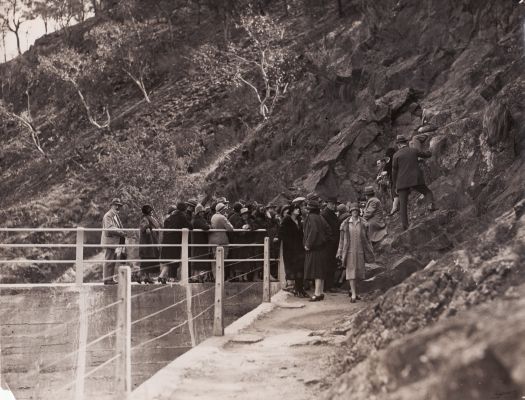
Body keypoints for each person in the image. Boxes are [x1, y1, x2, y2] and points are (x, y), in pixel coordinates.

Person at [392, 135, 437, 230]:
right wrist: (431, 149)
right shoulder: (413, 150)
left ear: (399, 145)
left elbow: (394, 172)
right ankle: (430, 205)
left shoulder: (396, 155)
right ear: (405, 142)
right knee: (427, 192)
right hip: (415, 179)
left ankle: (405, 225)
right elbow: (427, 154)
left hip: (402, 182)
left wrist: (395, 185)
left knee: (403, 205)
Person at [336, 203, 375, 303]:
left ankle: (355, 292)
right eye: (353, 211)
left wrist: (370, 250)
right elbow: (341, 240)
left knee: (358, 273)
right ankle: (353, 294)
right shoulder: (345, 224)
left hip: (360, 251)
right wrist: (339, 252)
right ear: (350, 212)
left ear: (359, 212)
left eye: (356, 211)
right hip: (349, 252)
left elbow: (368, 239)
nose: (355, 212)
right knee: (351, 272)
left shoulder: (364, 223)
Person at [303, 200, 332, 302]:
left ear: (310, 210)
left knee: (316, 272)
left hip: (314, 248)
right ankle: (321, 292)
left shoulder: (310, 217)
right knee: (320, 271)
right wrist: (323, 241)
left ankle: (317, 294)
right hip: (322, 248)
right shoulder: (321, 217)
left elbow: (313, 231)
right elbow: (329, 230)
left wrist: (308, 244)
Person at [278, 204, 308, 297]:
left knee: (300, 268)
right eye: (296, 209)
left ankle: (300, 288)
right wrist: (289, 243)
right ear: (291, 210)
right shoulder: (286, 220)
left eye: (298, 209)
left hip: (299, 248)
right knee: (293, 268)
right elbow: (281, 233)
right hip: (290, 249)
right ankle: (296, 288)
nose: (298, 210)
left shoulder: (299, 220)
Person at [159, 202, 192, 282]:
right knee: (174, 260)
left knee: (169, 260)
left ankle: (162, 276)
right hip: (175, 241)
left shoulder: (170, 217)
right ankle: (171, 278)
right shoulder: (181, 216)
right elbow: (190, 227)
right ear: (184, 209)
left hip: (166, 240)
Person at [101, 198, 126, 285]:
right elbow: (109, 228)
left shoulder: (114, 215)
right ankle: (107, 279)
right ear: (111, 206)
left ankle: (109, 279)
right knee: (109, 260)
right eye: (116, 205)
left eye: (119, 206)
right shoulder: (108, 215)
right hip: (109, 241)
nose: (117, 207)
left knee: (112, 260)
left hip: (113, 242)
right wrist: (121, 232)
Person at [208, 202, 234, 279]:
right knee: (222, 259)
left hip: (213, 240)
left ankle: (216, 276)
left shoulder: (213, 216)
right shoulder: (222, 218)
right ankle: (221, 277)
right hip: (221, 240)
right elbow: (230, 228)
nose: (225, 211)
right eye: (224, 210)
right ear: (221, 210)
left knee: (215, 259)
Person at [321, 196, 340, 292]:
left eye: (334, 204)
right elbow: (325, 229)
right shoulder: (325, 214)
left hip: (333, 243)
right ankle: (327, 286)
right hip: (329, 244)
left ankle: (330, 285)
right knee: (328, 264)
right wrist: (330, 239)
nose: (334, 206)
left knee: (332, 264)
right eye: (332, 204)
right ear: (328, 204)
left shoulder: (331, 213)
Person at [138, 204, 161, 284]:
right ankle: (140, 276)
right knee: (146, 260)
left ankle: (146, 277)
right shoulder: (144, 218)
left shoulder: (151, 218)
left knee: (148, 260)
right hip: (148, 243)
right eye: (150, 210)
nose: (152, 212)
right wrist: (147, 227)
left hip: (152, 242)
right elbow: (144, 226)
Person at [190, 204, 211, 282]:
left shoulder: (197, 219)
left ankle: (197, 277)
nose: (202, 213)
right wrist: (209, 226)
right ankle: (195, 277)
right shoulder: (197, 220)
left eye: (203, 212)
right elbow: (206, 227)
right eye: (201, 212)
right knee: (199, 259)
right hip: (199, 242)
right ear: (198, 212)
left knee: (199, 260)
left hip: (199, 242)